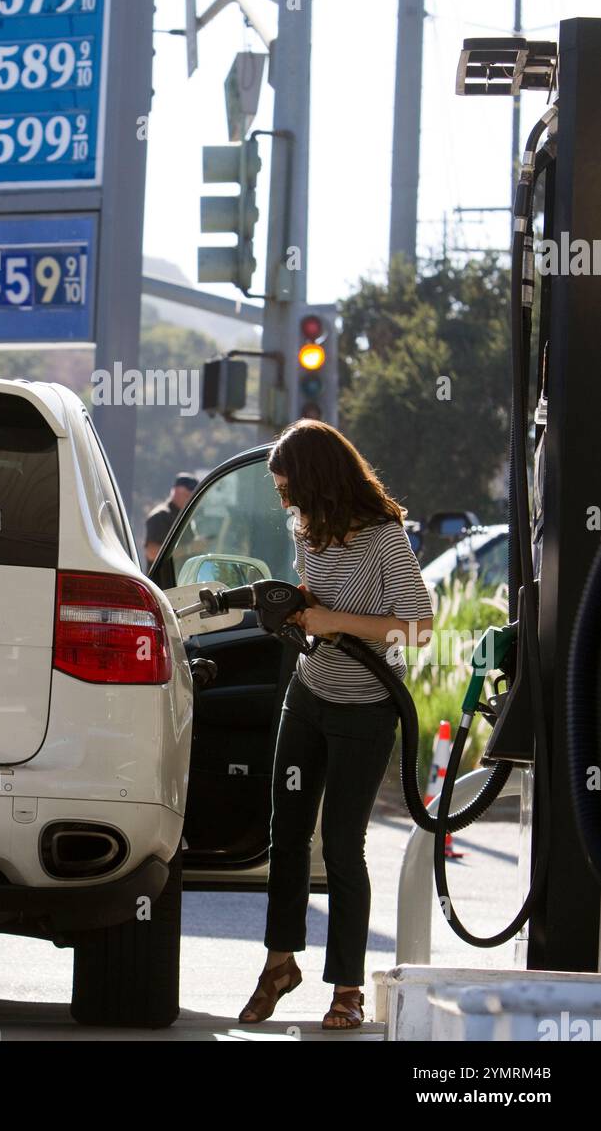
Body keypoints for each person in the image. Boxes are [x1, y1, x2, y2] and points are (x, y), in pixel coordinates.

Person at [238, 419, 434, 1029]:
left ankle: (345, 987)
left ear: (317, 479)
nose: (284, 500)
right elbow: (317, 596)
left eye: (287, 487)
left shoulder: (383, 539)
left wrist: (336, 621)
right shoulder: (308, 529)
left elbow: (419, 627)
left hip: (366, 710)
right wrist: (295, 600)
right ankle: (279, 965)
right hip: (309, 696)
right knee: (287, 836)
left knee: (343, 847)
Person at [143, 473, 198, 570]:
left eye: (193, 496)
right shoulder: (160, 515)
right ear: (176, 491)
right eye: (187, 495)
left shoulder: (184, 516)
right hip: (162, 583)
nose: (190, 499)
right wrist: (189, 549)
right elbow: (152, 553)